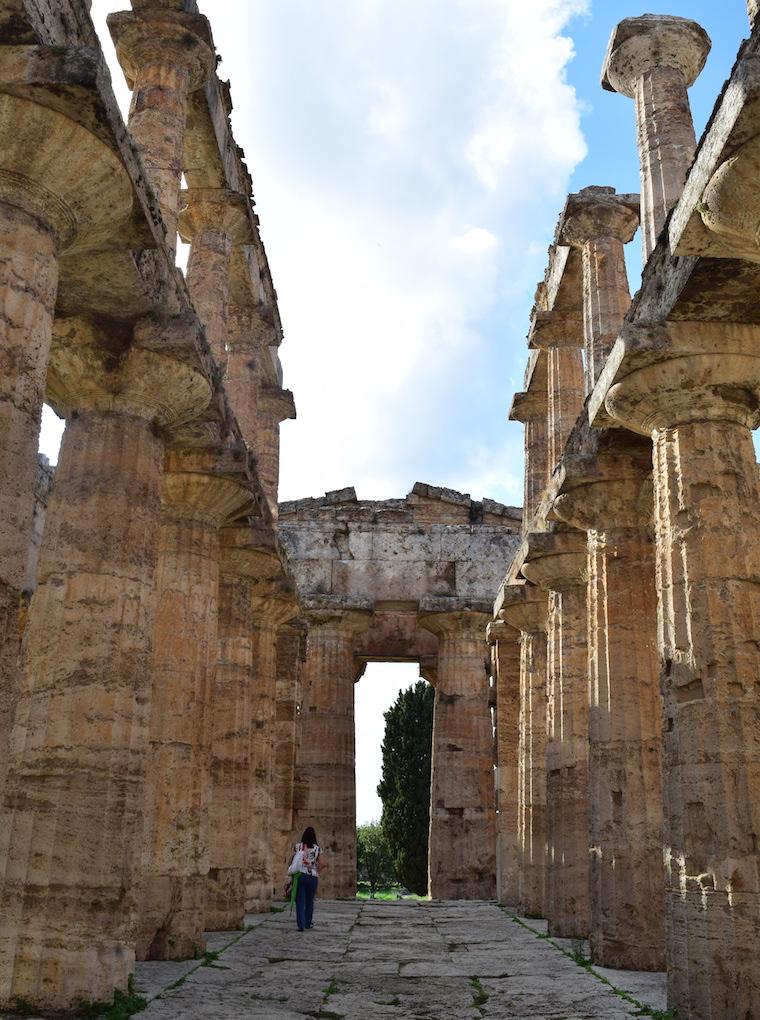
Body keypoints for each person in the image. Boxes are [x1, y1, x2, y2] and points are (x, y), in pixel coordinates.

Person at [288, 826, 322, 932]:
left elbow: (291, 860)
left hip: (300, 876)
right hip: (312, 877)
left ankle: (301, 925)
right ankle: (308, 923)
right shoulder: (317, 849)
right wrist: (317, 870)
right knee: (309, 901)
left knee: (300, 901)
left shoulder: (298, 847)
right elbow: (323, 863)